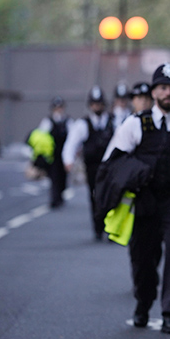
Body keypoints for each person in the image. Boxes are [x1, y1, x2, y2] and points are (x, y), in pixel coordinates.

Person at [102, 63, 170, 334]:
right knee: (143, 259)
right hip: (144, 200)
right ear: (153, 92)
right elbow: (111, 161)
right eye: (163, 88)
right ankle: (143, 302)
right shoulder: (135, 123)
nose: (168, 93)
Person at [62, 85, 114, 240]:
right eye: (94, 104)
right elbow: (71, 143)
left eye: (99, 103)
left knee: (111, 196)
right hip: (92, 167)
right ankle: (98, 227)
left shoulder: (113, 122)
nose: (97, 106)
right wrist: (68, 160)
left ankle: (110, 226)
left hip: (109, 167)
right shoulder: (83, 124)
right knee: (94, 196)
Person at [29, 96, 73, 208]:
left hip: (64, 154)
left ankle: (60, 195)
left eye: (60, 107)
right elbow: (41, 137)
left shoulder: (68, 121)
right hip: (52, 155)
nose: (58, 110)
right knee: (54, 177)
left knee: (63, 177)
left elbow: (72, 138)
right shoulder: (47, 121)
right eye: (56, 108)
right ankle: (54, 199)